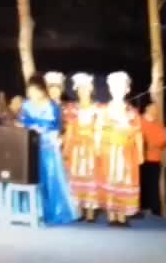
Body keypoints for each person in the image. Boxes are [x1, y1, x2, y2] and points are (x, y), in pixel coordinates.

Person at [18, 74, 78, 226]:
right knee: (32, 179)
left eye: (34, 90)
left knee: (51, 180)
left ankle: (54, 213)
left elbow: (57, 127)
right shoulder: (26, 106)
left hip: (48, 148)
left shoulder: (53, 107)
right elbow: (22, 123)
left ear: (42, 90)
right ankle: (31, 211)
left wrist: (44, 129)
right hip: (31, 149)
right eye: (29, 90)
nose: (31, 93)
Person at [96, 71, 143, 226]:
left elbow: (138, 133)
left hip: (126, 153)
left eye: (121, 87)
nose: (117, 90)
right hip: (108, 151)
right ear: (110, 89)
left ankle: (122, 215)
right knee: (110, 180)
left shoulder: (132, 112)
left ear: (127, 89)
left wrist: (140, 153)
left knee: (124, 181)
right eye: (114, 86)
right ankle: (111, 215)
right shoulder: (104, 110)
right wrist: (97, 148)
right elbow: (98, 130)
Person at [63, 72, 100, 222]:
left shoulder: (98, 109)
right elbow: (69, 131)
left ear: (91, 89)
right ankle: (78, 210)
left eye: (85, 88)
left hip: (91, 147)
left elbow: (100, 129)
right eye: (80, 89)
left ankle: (90, 212)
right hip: (76, 148)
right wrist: (66, 149)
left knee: (92, 178)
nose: (83, 91)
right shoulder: (72, 109)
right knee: (75, 178)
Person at [141, 103, 166, 216]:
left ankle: (155, 208)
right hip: (141, 158)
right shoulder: (140, 121)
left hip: (155, 158)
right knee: (141, 183)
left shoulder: (158, 124)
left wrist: (152, 143)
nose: (155, 111)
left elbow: (163, 141)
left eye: (156, 109)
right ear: (147, 109)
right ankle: (140, 207)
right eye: (153, 109)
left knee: (154, 184)